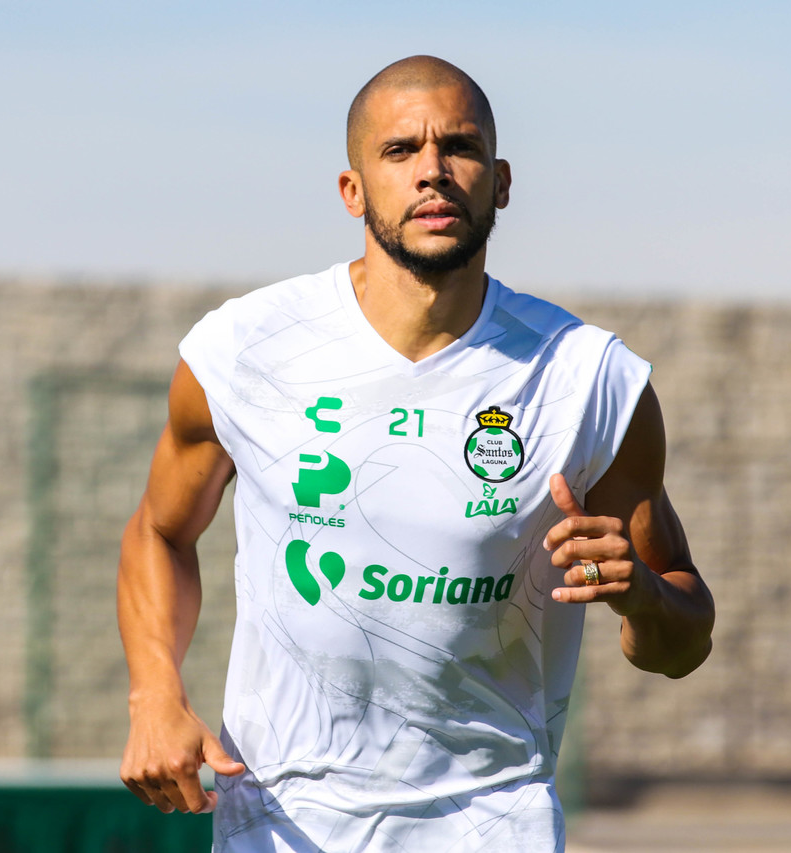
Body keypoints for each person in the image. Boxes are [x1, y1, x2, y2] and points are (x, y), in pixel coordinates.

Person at [117, 55, 714, 852]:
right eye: (400, 151)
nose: (433, 170)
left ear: (501, 181)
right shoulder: (244, 348)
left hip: (491, 823)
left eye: (459, 147)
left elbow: (682, 640)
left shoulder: (588, 379)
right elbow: (159, 532)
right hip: (281, 827)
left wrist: (640, 595)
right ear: (353, 190)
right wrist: (154, 692)